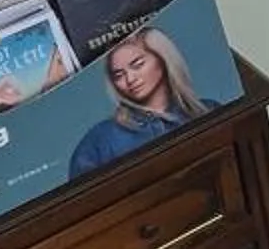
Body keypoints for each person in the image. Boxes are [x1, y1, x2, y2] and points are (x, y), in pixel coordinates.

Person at [69, 28, 208, 174]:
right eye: (119, 75)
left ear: (163, 59)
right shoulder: (98, 142)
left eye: (137, 65)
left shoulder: (207, 110)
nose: (130, 79)